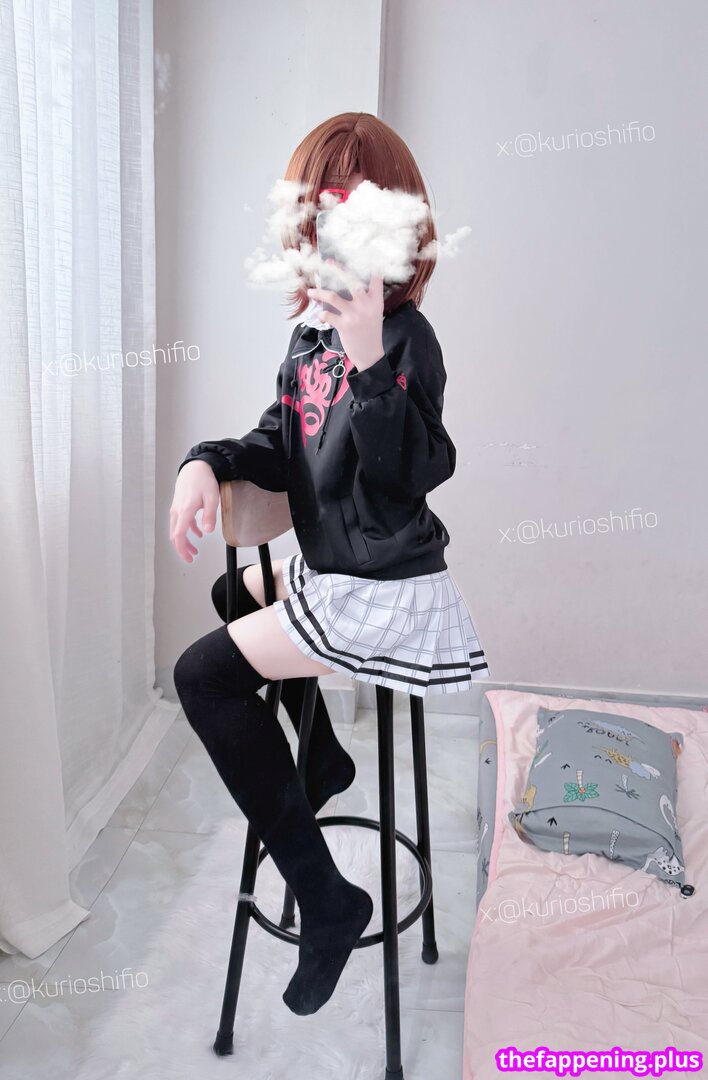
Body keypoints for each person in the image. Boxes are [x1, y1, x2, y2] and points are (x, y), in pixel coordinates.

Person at [169, 112, 490, 1017]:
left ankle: (328, 899)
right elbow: (277, 445)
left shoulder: (407, 341)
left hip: (385, 587)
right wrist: (202, 461)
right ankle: (317, 760)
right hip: (335, 576)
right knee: (233, 590)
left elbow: (412, 471)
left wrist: (370, 356)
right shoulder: (308, 340)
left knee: (202, 677)